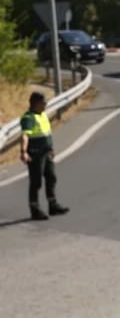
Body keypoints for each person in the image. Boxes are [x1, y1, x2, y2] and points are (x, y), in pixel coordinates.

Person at [20, 92, 69, 221]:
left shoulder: (42, 115)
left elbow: (46, 133)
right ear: (36, 103)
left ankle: (53, 205)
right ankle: (34, 209)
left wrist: (51, 148)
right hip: (35, 154)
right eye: (44, 102)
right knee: (36, 182)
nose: (46, 104)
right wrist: (23, 151)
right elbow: (25, 135)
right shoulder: (29, 118)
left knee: (51, 177)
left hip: (46, 152)